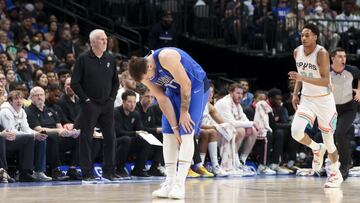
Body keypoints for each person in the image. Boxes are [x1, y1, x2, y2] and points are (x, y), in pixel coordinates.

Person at [129, 47, 209, 199]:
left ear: (150, 66)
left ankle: (180, 184)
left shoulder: (166, 57)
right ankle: (170, 182)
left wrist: (184, 113)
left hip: (195, 87)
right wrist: (174, 126)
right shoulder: (144, 72)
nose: (148, 80)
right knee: (168, 133)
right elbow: (161, 98)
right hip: (173, 90)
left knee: (186, 130)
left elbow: (186, 85)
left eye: (148, 77)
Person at [288, 23, 343, 188]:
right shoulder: (297, 51)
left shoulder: (322, 53)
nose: (303, 38)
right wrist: (295, 93)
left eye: (307, 35)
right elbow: (300, 75)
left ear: (315, 37)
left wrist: (301, 79)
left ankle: (335, 173)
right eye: (302, 35)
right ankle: (316, 148)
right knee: (296, 132)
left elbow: (326, 81)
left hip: (324, 100)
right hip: (307, 98)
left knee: (330, 142)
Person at [71, 29, 119, 183]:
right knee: (86, 138)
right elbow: (75, 82)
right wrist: (85, 100)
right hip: (90, 104)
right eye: (101, 39)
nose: (105, 41)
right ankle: (87, 173)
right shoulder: (83, 59)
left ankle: (109, 172)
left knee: (110, 137)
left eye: (106, 39)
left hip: (107, 104)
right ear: (92, 42)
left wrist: (112, 98)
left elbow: (115, 82)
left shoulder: (110, 58)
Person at [330, 47, 360, 180]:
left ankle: (345, 164)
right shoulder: (325, 71)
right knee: (327, 135)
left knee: (340, 133)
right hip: (332, 108)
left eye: (345, 56)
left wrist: (359, 91)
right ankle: (331, 163)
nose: (343, 59)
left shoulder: (352, 70)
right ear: (332, 58)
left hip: (349, 107)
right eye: (340, 56)